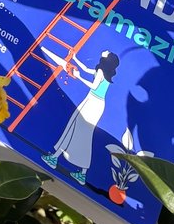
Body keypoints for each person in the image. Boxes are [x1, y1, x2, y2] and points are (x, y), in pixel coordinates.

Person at [42, 51, 120, 185]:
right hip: (96, 103)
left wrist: (79, 77)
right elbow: (86, 69)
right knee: (82, 132)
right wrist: (75, 58)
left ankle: (56, 158)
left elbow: (94, 86)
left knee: (76, 128)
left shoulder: (101, 72)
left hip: (93, 102)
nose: (106, 51)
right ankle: (80, 172)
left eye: (107, 53)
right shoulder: (103, 72)